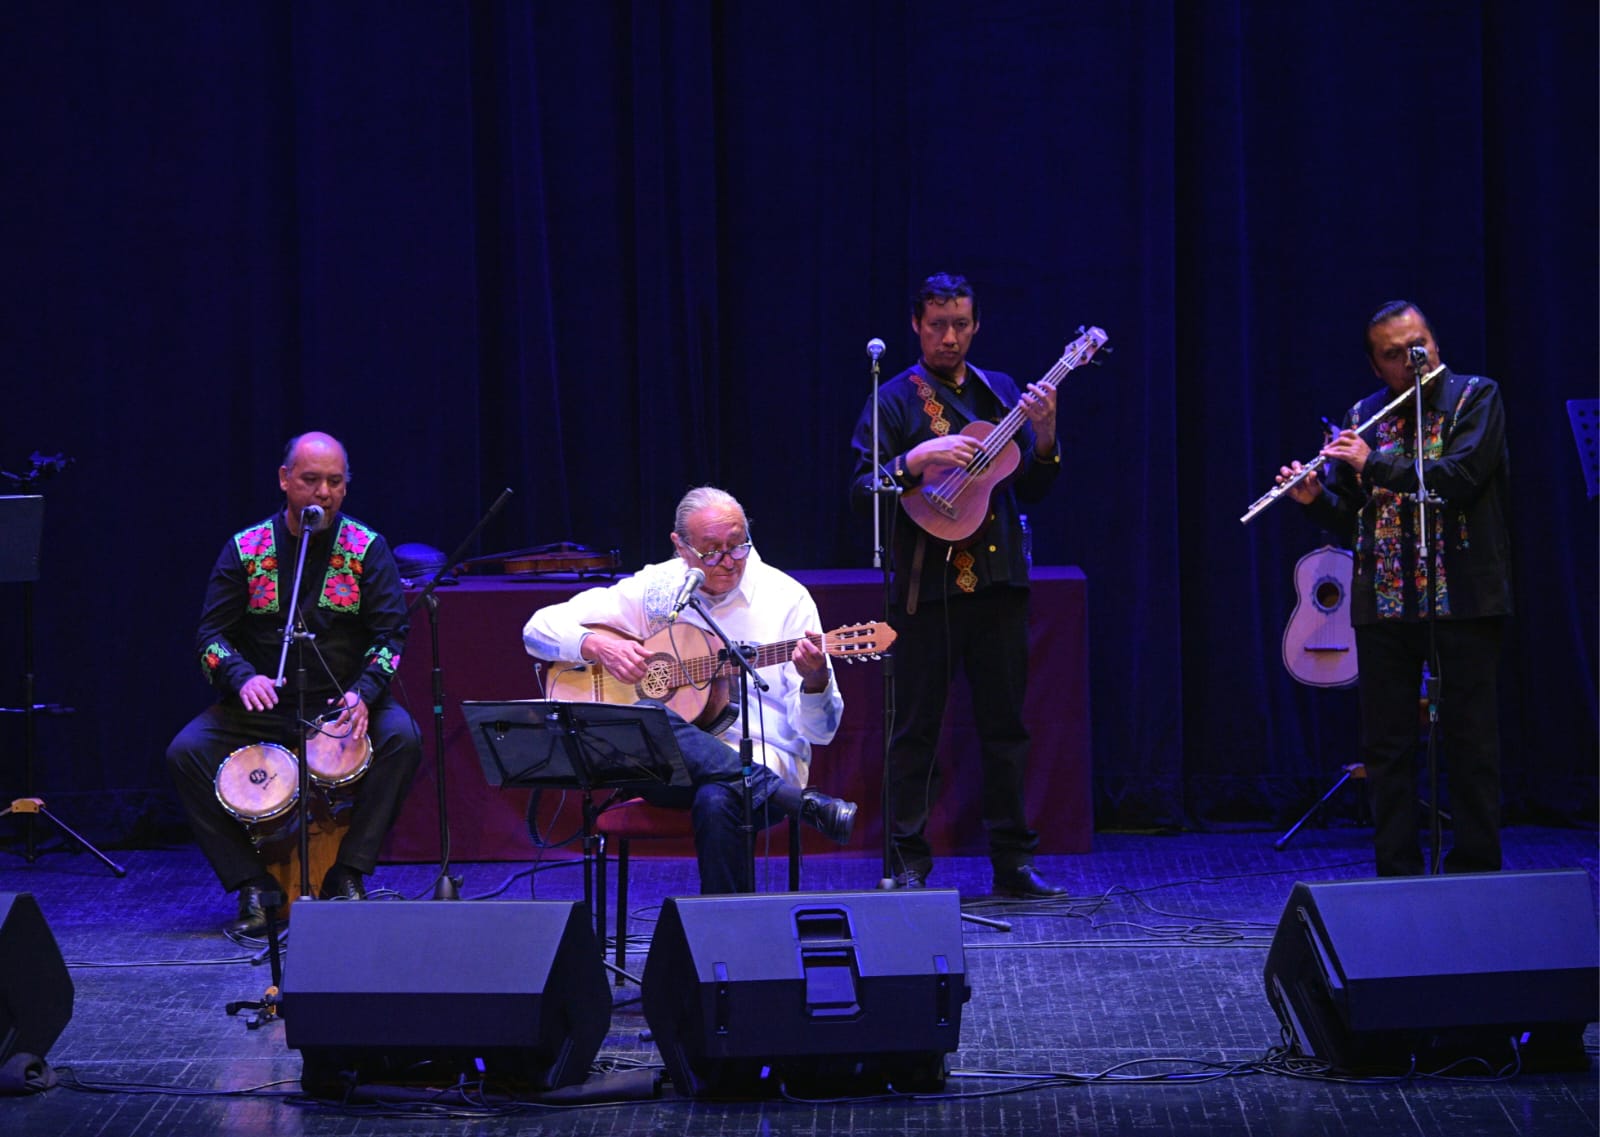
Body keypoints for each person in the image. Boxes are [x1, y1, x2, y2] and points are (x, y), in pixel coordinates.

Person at [848, 272, 1068, 898]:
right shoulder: (891, 399)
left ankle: (1013, 862)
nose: (950, 337)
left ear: (977, 325)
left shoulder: (1001, 393)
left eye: (962, 325)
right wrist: (911, 462)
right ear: (916, 325)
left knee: (1006, 728)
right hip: (925, 590)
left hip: (999, 584)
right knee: (915, 729)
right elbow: (862, 488)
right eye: (938, 325)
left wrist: (1046, 432)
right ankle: (909, 859)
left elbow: (1035, 484)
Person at [521, 485, 857, 894]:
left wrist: (815, 680)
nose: (729, 561)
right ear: (680, 546)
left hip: (763, 758)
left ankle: (722, 938)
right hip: (664, 768)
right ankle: (797, 804)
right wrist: (596, 645)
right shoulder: (657, 587)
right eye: (711, 550)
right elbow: (536, 629)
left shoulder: (786, 599)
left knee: (719, 798)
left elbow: (820, 733)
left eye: (738, 545)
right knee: (652, 715)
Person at [1279, 300, 1511, 876]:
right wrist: (1316, 500)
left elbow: (1457, 478)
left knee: (1470, 742)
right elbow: (1362, 517)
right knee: (1387, 747)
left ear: (1434, 341)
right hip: (1384, 600)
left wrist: (1372, 463)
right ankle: (1397, 872)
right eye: (1395, 355)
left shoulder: (1475, 397)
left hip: (1460, 598)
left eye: (1420, 346)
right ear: (1375, 366)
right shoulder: (1365, 414)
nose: (1413, 361)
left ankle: (1477, 868)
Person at [166, 432, 423, 935]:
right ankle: (252, 884)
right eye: (310, 480)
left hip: (340, 705)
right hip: (262, 707)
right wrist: (241, 677)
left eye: (334, 482)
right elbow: (210, 635)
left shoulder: (367, 548)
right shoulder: (247, 548)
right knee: (185, 752)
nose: (322, 492)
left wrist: (364, 694)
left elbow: (392, 635)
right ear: (285, 481)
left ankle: (347, 875)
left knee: (403, 738)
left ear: (346, 488)